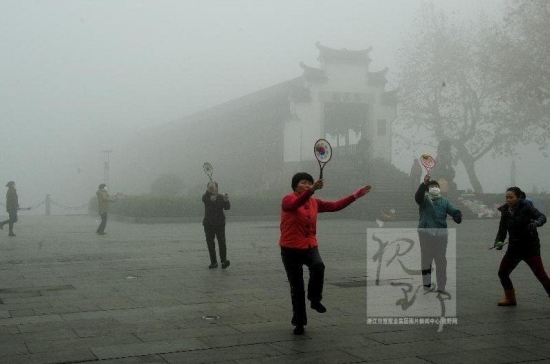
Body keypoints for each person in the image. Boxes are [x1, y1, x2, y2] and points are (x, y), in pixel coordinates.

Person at [280, 172, 371, 335]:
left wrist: (356, 195)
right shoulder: (288, 199)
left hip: (309, 246)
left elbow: (336, 206)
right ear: (295, 186)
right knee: (297, 287)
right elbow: (293, 206)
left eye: (310, 183)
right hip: (290, 248)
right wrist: (312, 190)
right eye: (304, 183)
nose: (307, 185)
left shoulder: (314, 202)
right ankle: (299, 322)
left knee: (318, 266)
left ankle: (315, 299)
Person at [493, 186, 549, 306]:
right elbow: (502, 229)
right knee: (502, 273)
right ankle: (510, 298)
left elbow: (542, 217)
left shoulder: (527, 208)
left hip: (530, 248)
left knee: (541, 275)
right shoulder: (505, 211)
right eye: (506, 197)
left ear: (519, 197)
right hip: (514, 248)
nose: (508, 200)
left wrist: (536, 223)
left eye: (511, 197)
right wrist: (499, 242)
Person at [415, 174, 462, 293]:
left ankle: (441, 285)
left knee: (441, 260)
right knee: (426, 259)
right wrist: (424, 183)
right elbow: (418, 197)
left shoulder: (444, 201)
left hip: (441, 234)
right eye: (431, 186)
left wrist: (457, 215)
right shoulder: (424, 200)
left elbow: (454, 210)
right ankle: (426, 284)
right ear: (427, 189)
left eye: (436, 186)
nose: (434, 188)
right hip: (425, 233)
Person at [202, 181, 231, 269]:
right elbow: (205, 199)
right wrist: (210, 195)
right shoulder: (206, 196)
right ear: (208, 189)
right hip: (209, 224)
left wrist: (226, 201)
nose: (212, 189)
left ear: (217, 188)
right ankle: (213, 262)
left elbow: (227, 208)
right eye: (210, 188)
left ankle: (223, 261)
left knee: (222, 242)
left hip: (220, 223)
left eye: (214, 188)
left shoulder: (221, 197)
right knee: (210, 243)